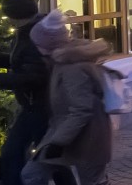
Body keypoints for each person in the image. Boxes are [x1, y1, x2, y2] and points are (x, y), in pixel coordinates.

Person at [0, 0, 73, 185]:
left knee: (29, 156)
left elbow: (31, 77)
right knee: (37, 157)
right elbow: (22, 63)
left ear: (12, 13)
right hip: (36, 106)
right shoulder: (29, 29)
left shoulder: (34, 34)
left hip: (42, 108)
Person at [21, 10, 112, 185]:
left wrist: (57, 142)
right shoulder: (63, 59)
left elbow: (81, 110)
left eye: (38, 44)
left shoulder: (72, 67)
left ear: (48, 45)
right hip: (69, 134)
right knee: (33, 173)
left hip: (88, 137)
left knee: (93, 181)